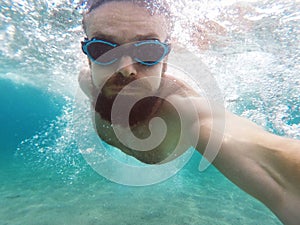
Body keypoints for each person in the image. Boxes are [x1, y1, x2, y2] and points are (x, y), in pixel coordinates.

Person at [78, 0, 300, 224]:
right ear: (88, 56)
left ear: (165, 60)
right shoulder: (87, 83)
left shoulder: (184, 110)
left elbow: (279, 171)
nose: (125, 69)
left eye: (148, 50)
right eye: (103, 49)